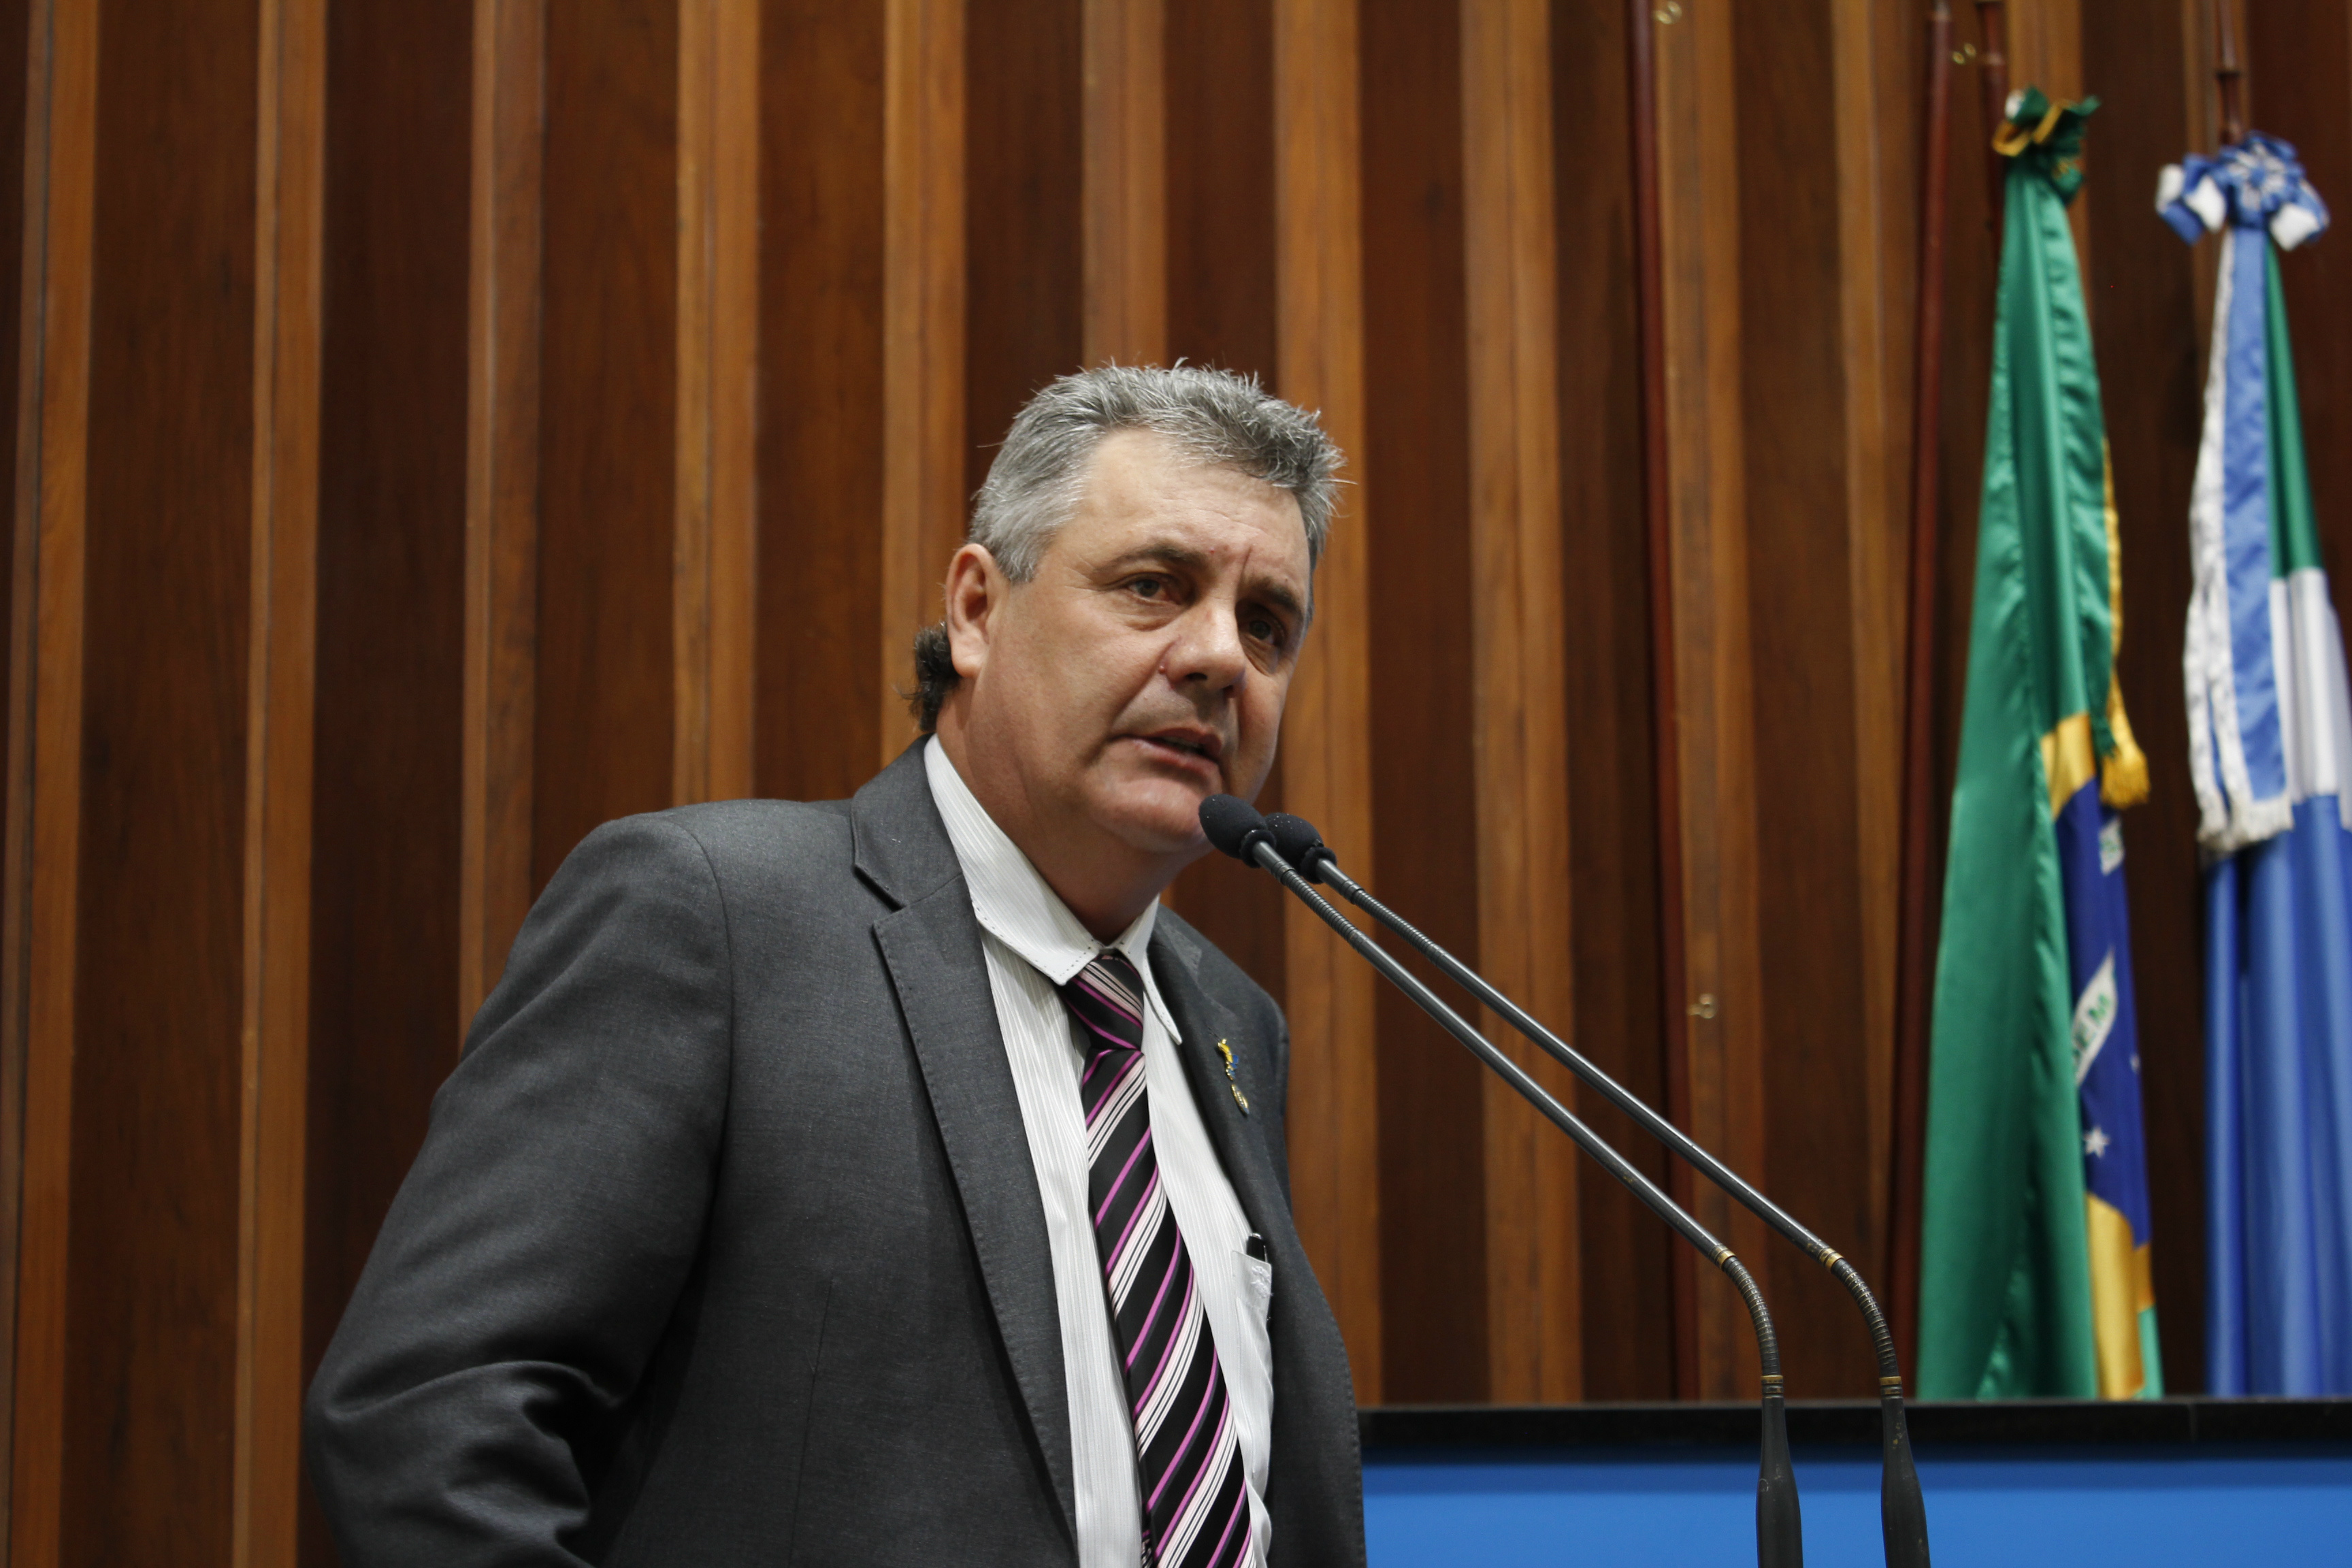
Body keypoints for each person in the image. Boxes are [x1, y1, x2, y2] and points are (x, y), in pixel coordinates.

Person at [305, 365, 1368, 1567]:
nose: (1220, 656)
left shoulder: (1231, 1026)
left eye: (1268, 622)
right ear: (976, 609)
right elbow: (424, 1416)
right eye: (1152, 587)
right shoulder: (715, 918)